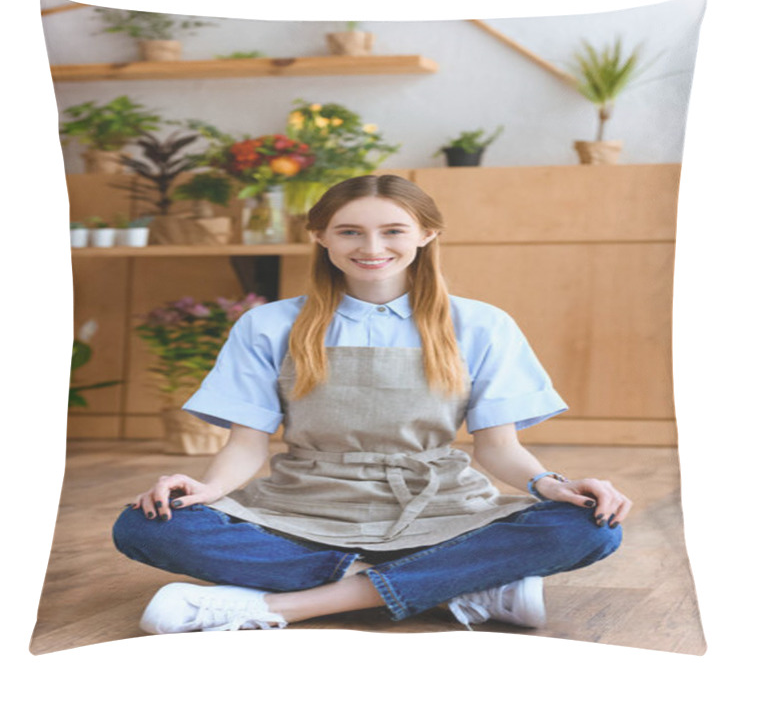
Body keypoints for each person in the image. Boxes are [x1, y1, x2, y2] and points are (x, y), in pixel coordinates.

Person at [113, 174, 631, 634]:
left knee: (588, 526)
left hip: (441, 510)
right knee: (145, 524)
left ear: (427, 234)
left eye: (393, 231)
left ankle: (286, 605)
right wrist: (204, 490)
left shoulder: (481, 325)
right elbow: (246, 444)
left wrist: (554, 486)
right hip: (304, 508)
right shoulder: (267, 325)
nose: (371, 246)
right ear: (320, 236)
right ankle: (457, 585)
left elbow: (498, 449)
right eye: (349, 231)